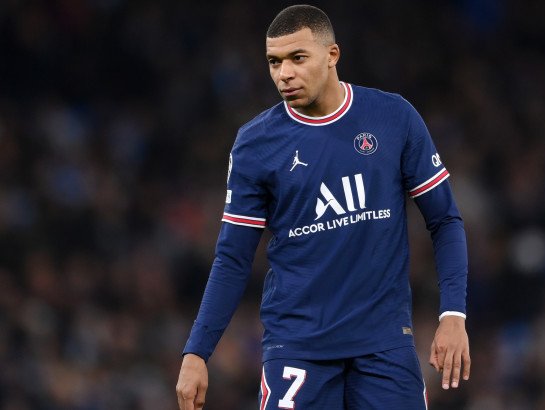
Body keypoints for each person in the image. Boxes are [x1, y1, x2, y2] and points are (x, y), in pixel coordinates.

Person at [176, 4, 470, 410]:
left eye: (298, 58)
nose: (284, 73)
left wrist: (453, 314)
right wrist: (197, 352)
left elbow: (445, 220)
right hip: (297, 349)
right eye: (274, 62)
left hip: (384, 344)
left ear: (332, 55)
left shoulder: (392, 117)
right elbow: (233, 258)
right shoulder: (255, 144)